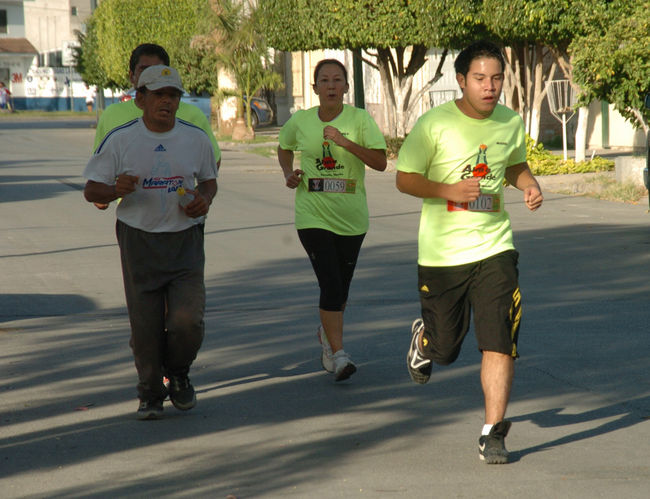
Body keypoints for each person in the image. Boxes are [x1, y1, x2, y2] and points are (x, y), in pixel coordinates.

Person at [395, 40, 543, 463]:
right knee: (445, 349)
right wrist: (448, 190)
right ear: (461, 80)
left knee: (500, 339)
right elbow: (405, 178)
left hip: (495, 246)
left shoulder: (509, 122)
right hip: (442, 255)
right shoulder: (434, 124)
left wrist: (529, 184)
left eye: (496, 78)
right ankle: (424, 340)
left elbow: (513, 164)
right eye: (480, 78)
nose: (490, 86)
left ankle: (492, 433)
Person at [83, 65, 218, 420]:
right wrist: (114, 189)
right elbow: (91, 190)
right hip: (139, 239)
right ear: (140, 98)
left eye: (173, 95)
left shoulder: (195, 138)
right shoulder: (121, 139)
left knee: (188, 321)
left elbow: (209, 181)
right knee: (145, 327)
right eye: (159, 95)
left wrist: (204, 200)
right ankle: (150, 393)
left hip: (185, 240)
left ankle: (178, 372)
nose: (167, 102)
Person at [277, 59, 387, 382]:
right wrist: (288, 172)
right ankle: (339, 355)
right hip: (312, 214)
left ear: (346, 87)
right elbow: (284, 147)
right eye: (324, 80)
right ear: (315, 88)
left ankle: (326, 335)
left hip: (352, 218)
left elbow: (381, 162)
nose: (331, 86)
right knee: (330, 283)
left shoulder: (360, 119)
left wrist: (345, 142)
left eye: (337, 80)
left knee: (341, 290)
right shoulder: (301, 121)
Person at [92, 43, 221, 210]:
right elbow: (98, 185)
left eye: (158, 71)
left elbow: (211, 167)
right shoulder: (113, 117)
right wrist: (112, 192)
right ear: (132, 76)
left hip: (185, 221)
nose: (165, 101)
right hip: (135, 220)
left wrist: (199, 198)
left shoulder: (193, 117)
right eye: (144, 70)